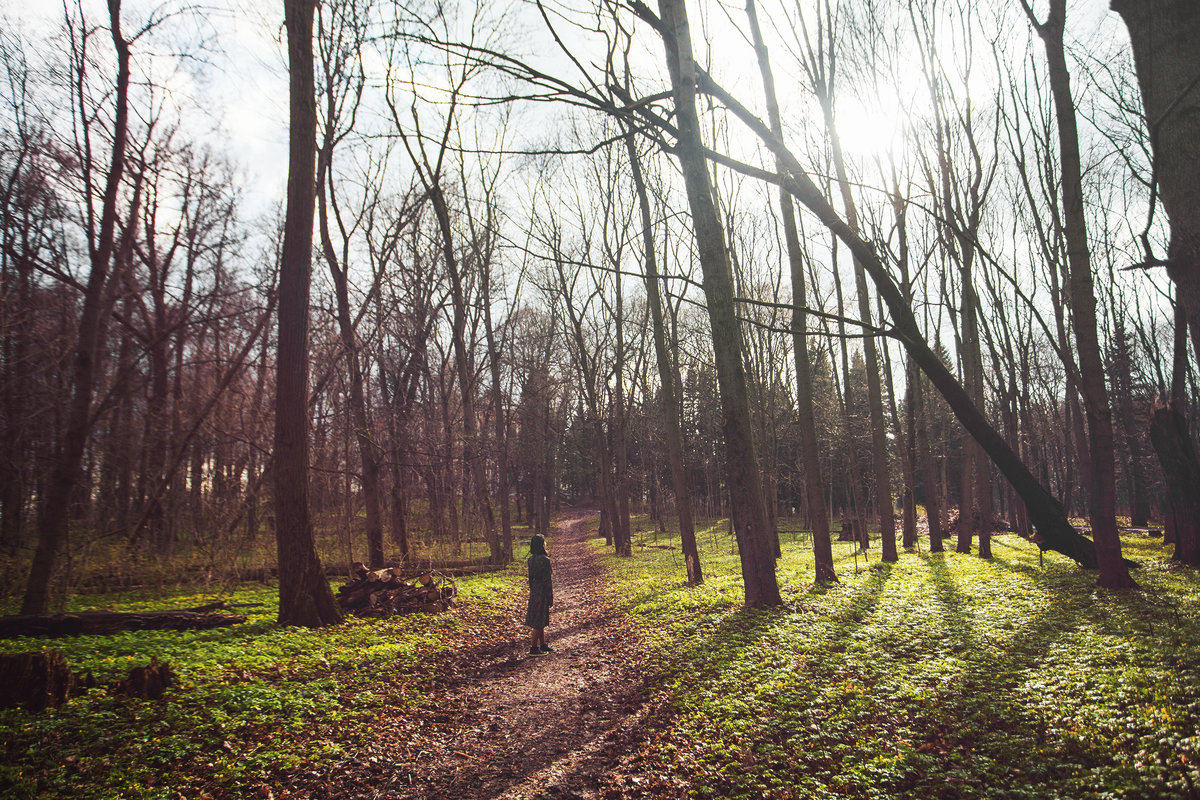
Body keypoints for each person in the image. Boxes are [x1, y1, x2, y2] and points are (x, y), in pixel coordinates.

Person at [524, 534, 553, 655]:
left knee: (539, 618)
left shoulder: (530, 560)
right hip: (542, 590)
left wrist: (533, 590)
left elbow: (530, 578)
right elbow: (547, 580)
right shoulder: (545, 560)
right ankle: (533, 648)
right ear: (541, 544)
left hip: (535, 590)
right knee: (538, 621)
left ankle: (543, 644)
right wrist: (550, 596)